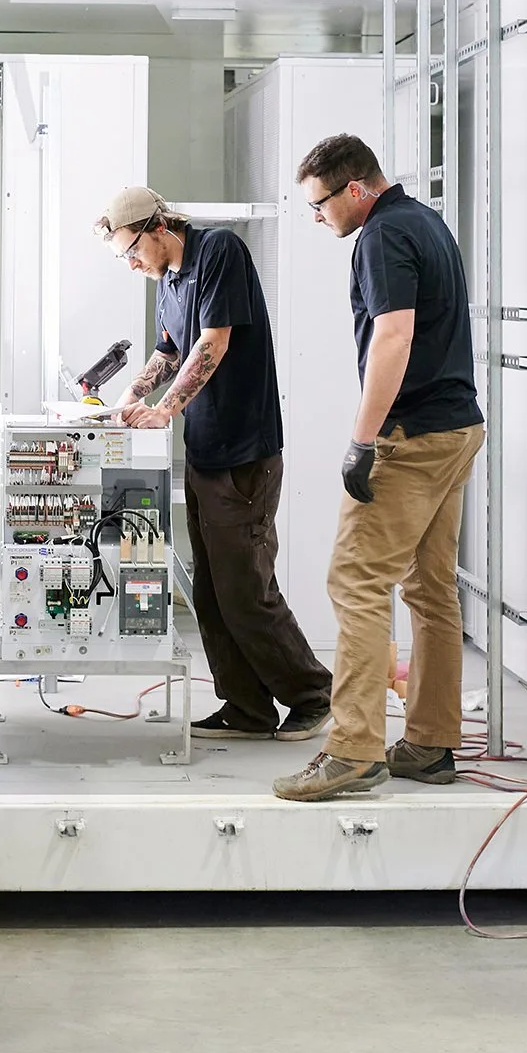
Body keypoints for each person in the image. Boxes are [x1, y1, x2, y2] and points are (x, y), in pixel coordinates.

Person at [272, 135, 484, 801]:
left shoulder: (381, 235)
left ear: (355, 188)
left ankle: (353, 748)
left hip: (412, 437)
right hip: (458, 427)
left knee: (356, 580)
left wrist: (363, 440)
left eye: (320, 202)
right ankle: (428, 741)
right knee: (430, 586)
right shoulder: (426, 222)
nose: (318, 216)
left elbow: (394, 333)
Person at [94, 186, 334, 742]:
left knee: (247, 589)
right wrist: (133, 392)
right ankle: (246, 709)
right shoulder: (169, 280)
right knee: (210, 591)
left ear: (157, 227)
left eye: (131, 250)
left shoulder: (219, 252)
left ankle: (313, 695)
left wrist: (165, 410)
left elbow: (213, 341)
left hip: (243, 454)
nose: (130, 264)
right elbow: (171, 349)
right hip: (204, 453)